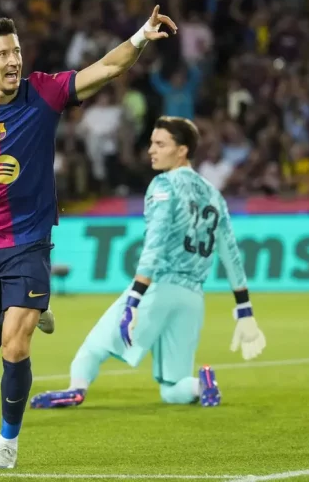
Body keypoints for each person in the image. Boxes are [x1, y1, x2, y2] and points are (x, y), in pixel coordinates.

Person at [0, 7, 178, 469]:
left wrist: (140, 36)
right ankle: (26, 308)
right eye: (3, 54)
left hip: (27, 241)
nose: (14, 60)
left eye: (16, 51)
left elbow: (107, 68)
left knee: (15, 346)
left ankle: (7, 443)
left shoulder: (43, 92)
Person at [29, 117, 267, 410]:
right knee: (173, 387)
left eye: (160, 144)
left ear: (182, 150)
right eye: (152, 143)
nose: (151, 150)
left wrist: (134, 299)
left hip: (159, 288)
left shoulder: (163, 185)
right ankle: (201, 384)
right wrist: (244, 310)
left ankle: (76, 390)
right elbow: (230, 253)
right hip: (192, 298)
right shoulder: (213, 194)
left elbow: (155, 245)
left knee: (92, 349)